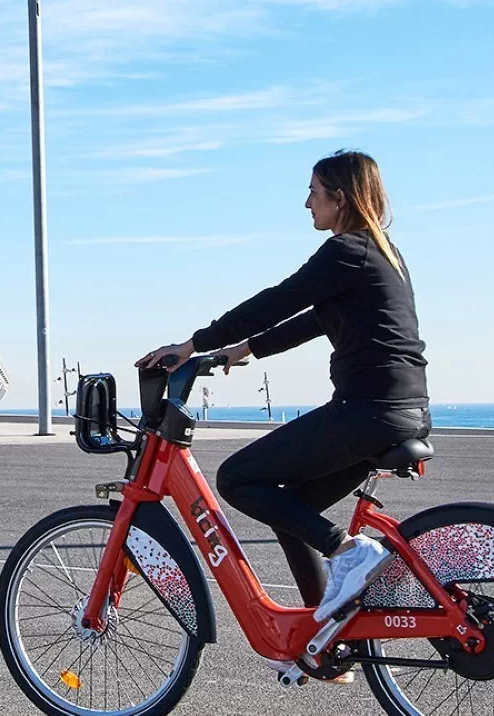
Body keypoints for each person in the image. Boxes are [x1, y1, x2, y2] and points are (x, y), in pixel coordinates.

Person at [136, 150, 430, 674]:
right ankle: (324, 642)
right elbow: (314, 317)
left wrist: (193, 342)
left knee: (239, 479)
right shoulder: (380, 253)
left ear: (340, 199)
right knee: (290, 507)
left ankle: (350, 552)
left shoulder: (347, 250)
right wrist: (240, 351)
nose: (306, 203)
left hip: (368, 410)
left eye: (314, 193)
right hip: (398, 409)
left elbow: (280, 300)